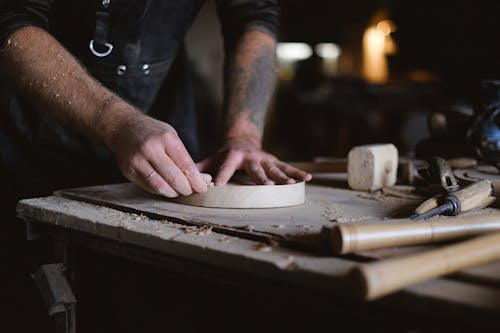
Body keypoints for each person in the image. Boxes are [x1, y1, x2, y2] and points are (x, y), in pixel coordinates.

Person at [0, 1, 311, 330]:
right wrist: (116, 123)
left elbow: (254, 15)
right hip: (30, 134)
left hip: (162, 114)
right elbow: (11, 18)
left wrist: (244, 135)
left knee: (155, 300)